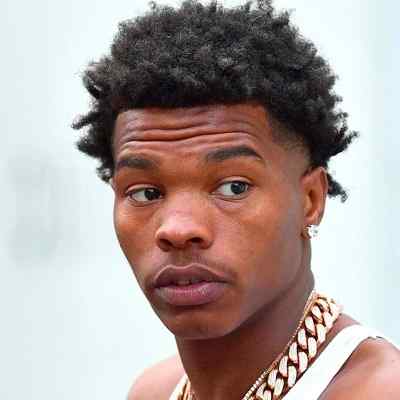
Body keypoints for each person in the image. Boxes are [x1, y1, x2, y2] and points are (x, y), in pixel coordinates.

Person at [72, 0, 400, 398]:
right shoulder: (154, 391)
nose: (177, 229)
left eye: (234, 187)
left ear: (311, 199)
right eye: (146, 193)